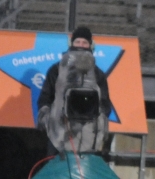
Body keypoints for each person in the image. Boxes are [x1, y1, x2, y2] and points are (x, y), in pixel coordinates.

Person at [37, 26, 112, 155]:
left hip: (87, 132)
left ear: (91, 45)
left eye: (84, 42)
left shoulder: (98, 75)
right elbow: (45, 98)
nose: (81, 46)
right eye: (77, 42)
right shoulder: (56, 70)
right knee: (57, 171)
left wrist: (100, 120)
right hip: (59, 131)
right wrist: (46, 117)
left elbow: (104, 103)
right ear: (71, 43)